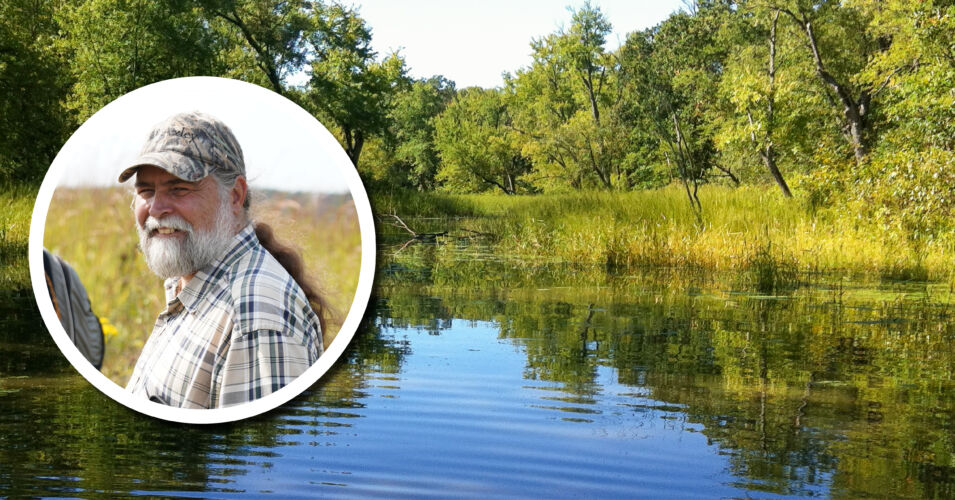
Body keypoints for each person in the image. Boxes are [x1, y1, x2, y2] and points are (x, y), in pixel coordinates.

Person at [121, 111, 326, 409]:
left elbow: (263, 454)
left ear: (235, 196)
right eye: (146, 190)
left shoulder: (256, 320)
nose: (157, 207)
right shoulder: (193, 282)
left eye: (179, 188)